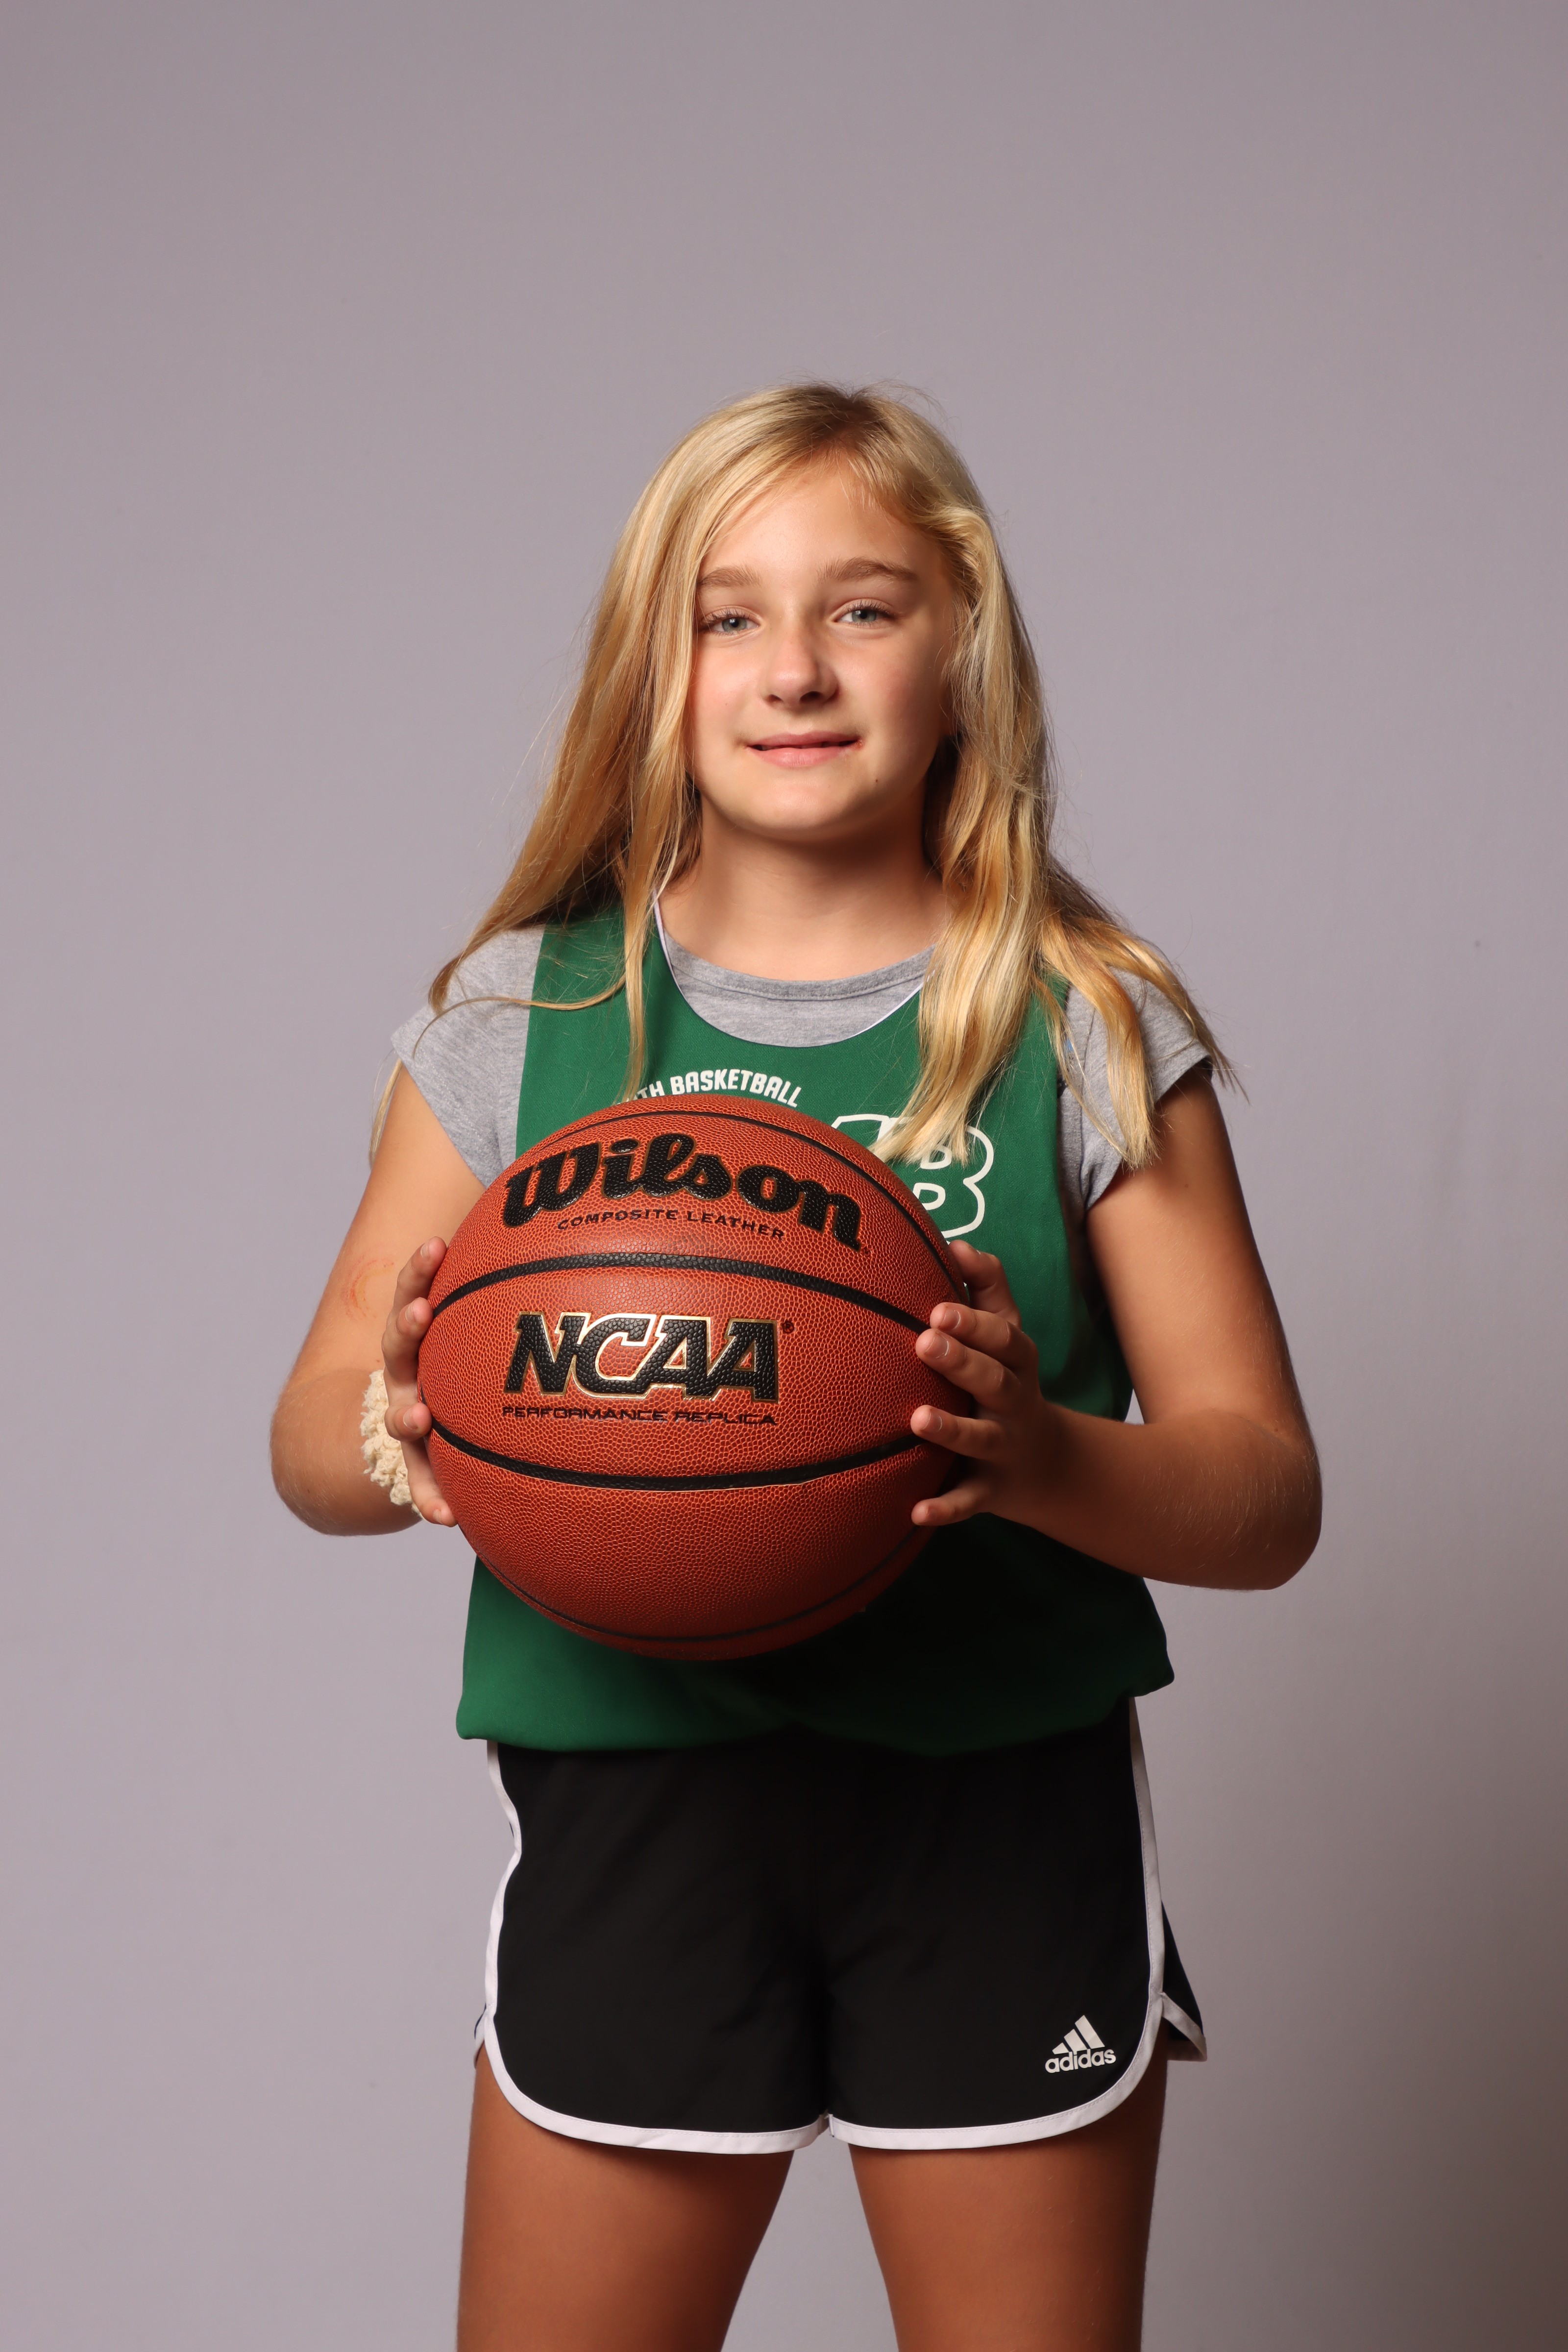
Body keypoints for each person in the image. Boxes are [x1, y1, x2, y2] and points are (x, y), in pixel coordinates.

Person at [270, 383, 1320, 2352]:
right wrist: (406, 1425)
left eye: (862, 607)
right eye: (727, 615)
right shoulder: (525, 1013)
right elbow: (313, 1441)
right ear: (650, 669)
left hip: (993, 1803)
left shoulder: (1077, 1018)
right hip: (640, 1794)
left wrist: (1040, 1457)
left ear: (961, 646)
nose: (794, 669)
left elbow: (1265, 1492)